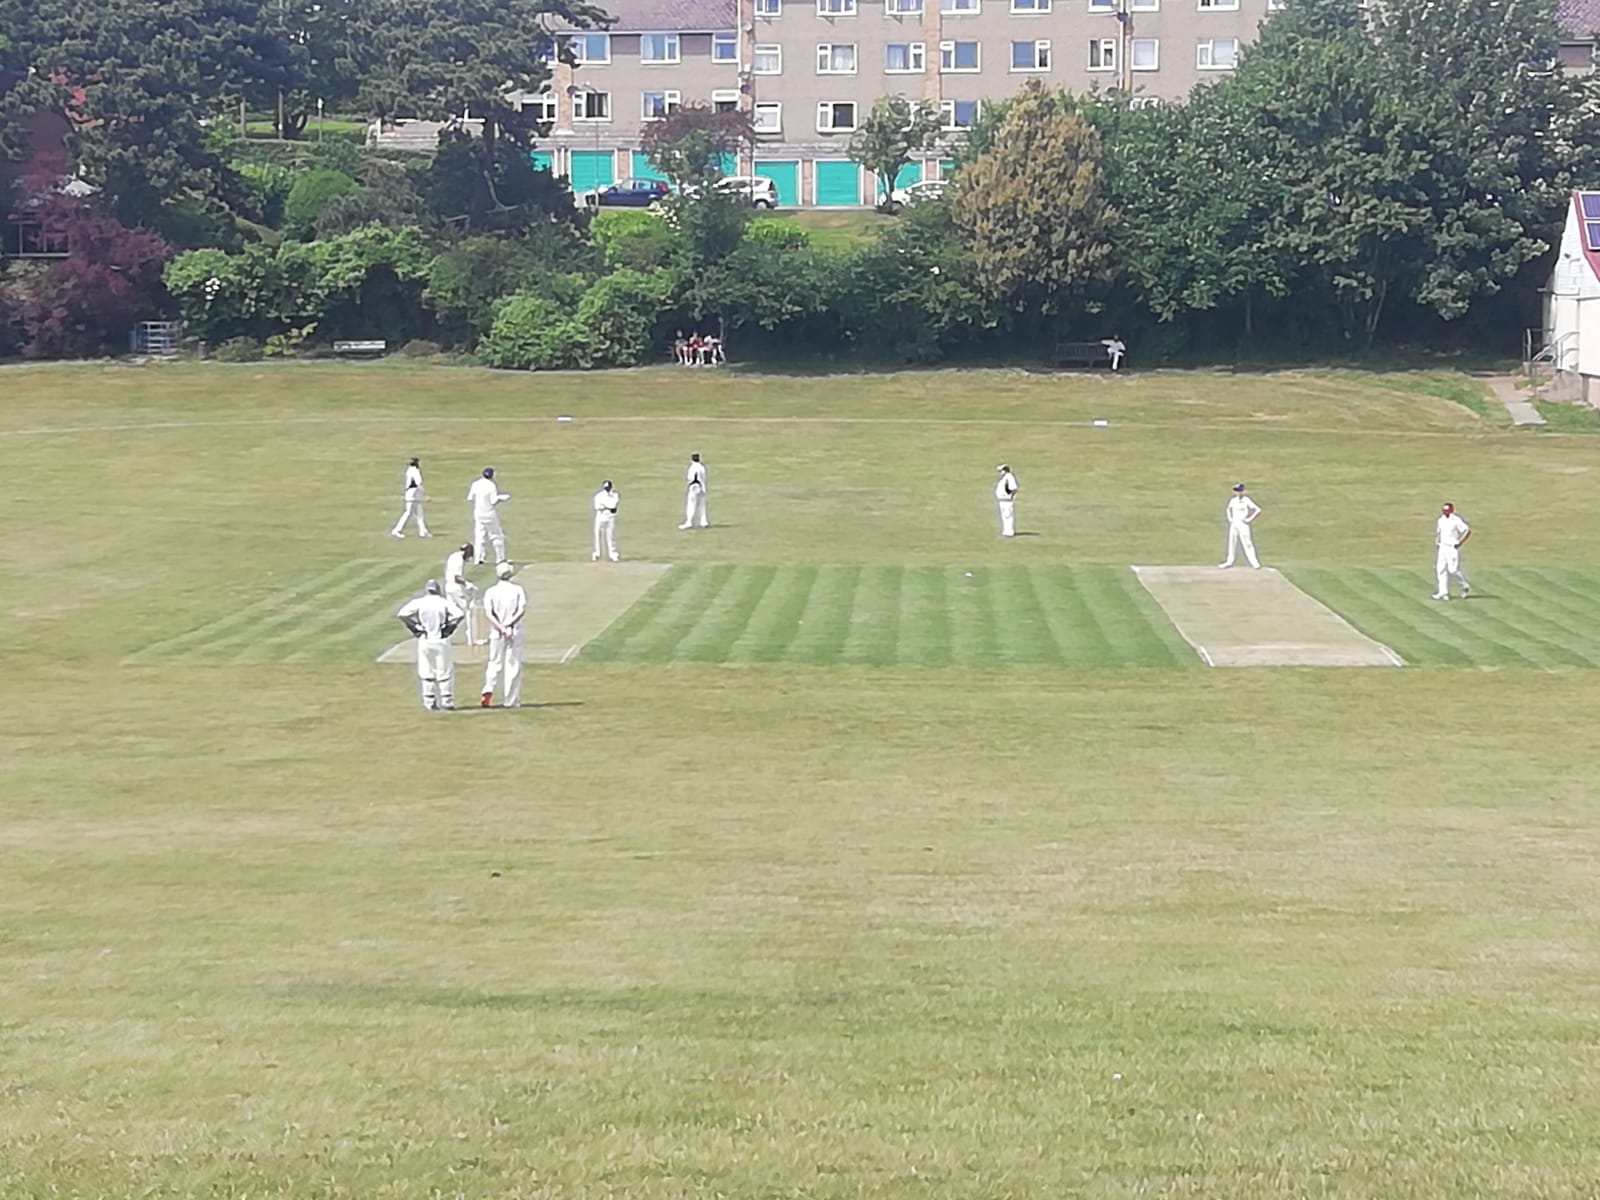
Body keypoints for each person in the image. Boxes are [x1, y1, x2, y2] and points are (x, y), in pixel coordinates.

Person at [395, 580, 465, 711]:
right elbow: (459, 614)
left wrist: (415, 627)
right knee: (444, 670)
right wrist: (450, 627)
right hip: (441, 639)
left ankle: (429, 700)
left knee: (426, 670)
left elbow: (402, 614)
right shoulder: (443, 602)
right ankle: (447, 700)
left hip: (425, 639)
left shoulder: (420, 602)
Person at [480, 561, 528, 708]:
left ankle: (488, 688)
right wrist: (508, 624)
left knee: (494, 662)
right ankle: (510, 700)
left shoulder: (491, 591)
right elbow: (521, 610)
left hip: (496, 631)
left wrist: (500, 627)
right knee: (512, 664)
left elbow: (489, 613)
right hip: (513, 631)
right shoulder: (518, 590)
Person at [467, 466, 509, 565]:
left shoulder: (476, 484)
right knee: (496, 536)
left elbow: (470, 497)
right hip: (489, 514)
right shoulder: (491, 485)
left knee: (479, 537)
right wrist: (502, 498)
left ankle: (478, 559)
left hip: (478, 514)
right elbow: (493, 501)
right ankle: (500, 558)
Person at [444, 542, 483, 645]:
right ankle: (472, 639)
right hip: (456, 588)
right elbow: (457, 578)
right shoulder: (459, 560)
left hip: (448, 587)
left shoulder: (452, 556)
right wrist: (467, 584)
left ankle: (445, 637)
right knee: (469, 611)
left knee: (452, 614)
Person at [1218, 483, 1262, 569]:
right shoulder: (1233, 500)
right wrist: (1230, 518)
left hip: (1243, 524)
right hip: (1234, 523)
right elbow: (1228, 509)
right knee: (1232, 542)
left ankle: (1254, 563)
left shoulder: (1246, 500)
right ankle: (1229, 561)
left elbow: (1257, 510)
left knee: (1247, 543)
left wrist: (1249, 519)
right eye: (1236, 491)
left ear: (1243, 491)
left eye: (1239, 491)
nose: (1238, 492)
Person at [1433, 502, 1471, 601]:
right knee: (1441, 569)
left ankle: (1464, 585)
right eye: (1444, 510)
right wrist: (1437, 539)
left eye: (1447, 511)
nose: (1445, 512)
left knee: (1453, 570)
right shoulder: (1440, 520)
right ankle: (1443, 593)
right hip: (1442, 547)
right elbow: (1439, 531)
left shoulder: (1456, 520)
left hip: (1452, 547)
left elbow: (1467, 530)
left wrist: (1460, 542)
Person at [389, 457, 431, 539]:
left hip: (411, 494)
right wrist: (424, 495)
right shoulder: (415, 471)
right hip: (414, 495)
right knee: (408, 513)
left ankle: (422, 531)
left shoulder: (409, 470)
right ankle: (396, 530)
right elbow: (418, 484)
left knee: (419, 513)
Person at [592, 479, 620, 562]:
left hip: (610, 517)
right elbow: (597, 507)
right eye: (606, 488)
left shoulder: (615, 495)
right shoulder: (598, 496)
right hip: (600, 517)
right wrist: (609, 506)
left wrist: (606, 506)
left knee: (611, 537)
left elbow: (614, 506)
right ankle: (596, 554)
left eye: (608, 487)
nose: (607, 489)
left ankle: (613, 555)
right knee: (597, 536)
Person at [679, 452, 709, 530]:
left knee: (691, 505)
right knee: (702, 505)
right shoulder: (702, 467)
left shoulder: (692, 468)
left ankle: (689, 522)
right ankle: (704, 522)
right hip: (702, 488)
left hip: (693, 488)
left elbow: (690, 478)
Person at [995, 464, 1018, 537]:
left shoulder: (1009, 477)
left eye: (1001, 470)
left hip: (1007, 500)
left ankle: (1010, 531)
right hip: (1001, 500)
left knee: (1008, 515)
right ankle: (1006, 530)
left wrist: (1011, 496)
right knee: (1004, 516)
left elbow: (1014, 488)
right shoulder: (1003, 478)